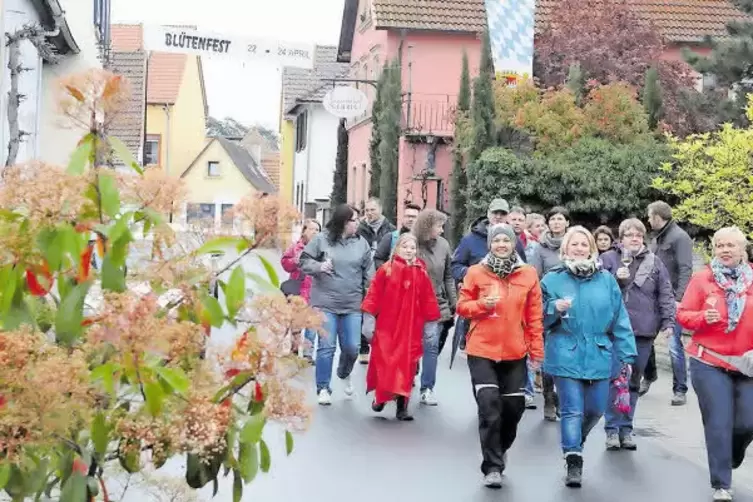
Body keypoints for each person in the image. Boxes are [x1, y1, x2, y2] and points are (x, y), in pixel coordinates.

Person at [540, 226, 636, 488]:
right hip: (564, 349)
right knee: (572, 408)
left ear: (592, 249)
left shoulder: (607, 280)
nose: (579, 248)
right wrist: (552, 309)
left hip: (599, 351)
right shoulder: (552, 279)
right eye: (574, 244)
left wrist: (627, 354)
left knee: (595, 409)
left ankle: (575, 442)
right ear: (565, 249)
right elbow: (538, 318)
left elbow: (620, 318)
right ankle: (573, 458)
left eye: (585, 244)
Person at [457, 224, 544, 488]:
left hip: (515, 351)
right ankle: (492, 466)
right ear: (490, 245)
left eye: (507, 240)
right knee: (489, 406)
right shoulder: (476, 272)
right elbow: (462, 307)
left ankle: (500, 446)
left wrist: (536, 350)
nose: (502, 245)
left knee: (514, 408)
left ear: (514, 244)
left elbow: (534, 316)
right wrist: (482, 305)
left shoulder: (528, 274)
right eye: (497, 241)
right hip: (482, 349)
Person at [678, 226, 753, 502]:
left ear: (742, 250)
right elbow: (683, 315)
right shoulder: (703, 279)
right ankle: (721, 483)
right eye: (719, 245)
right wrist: (701, 318)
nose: (724, 250)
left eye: (730, 245)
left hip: (747, 365)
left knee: (747, 422)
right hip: (708, 360)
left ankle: (733, 452)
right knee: (719, 421)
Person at [600, 218, 675, 451]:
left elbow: (665, 293)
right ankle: (612, 429)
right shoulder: (608, 259)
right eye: (629, 234)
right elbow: (597, 290)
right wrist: (617, 281)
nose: (634, 238)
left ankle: (626, 428)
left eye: (638, 235)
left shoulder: (654, 263)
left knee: (633, 381)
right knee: (616, 380)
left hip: (643, 330)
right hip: (615, 329)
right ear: (620, 238)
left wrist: (668, 322)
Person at [300, 204, 375, 405]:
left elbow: (370, 273)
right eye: (354, 220)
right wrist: (319, 266)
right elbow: (303, 261)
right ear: (343, 221)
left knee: (352, 347)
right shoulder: (321, 240)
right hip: (325, 303)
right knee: (326, 346)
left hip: (352, 303)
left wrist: (373, 294)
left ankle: (344, 372)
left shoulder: (362, 244)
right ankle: (323, 387)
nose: (358, 223)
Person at [361, 233, 440, 421]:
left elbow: (428, 299)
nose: (409, 251)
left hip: (411, 328)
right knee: (386, 363)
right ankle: (381, 397)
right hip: (387, 327)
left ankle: (402, 406)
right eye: (405, 247)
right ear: (397, 248)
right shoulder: (386, 270)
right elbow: (373, 295)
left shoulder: (420, 272)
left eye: (412, 248)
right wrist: (368, 320)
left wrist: (430, 325)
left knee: (408, 366)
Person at [452, 199, 523, 351]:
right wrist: (471, 274)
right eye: (495, 213)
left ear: (507, 216)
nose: (498, 216)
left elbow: (523, 269)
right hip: (479, 301)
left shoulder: (516, 242)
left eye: (502, 213)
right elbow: (456, 265)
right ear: (488, 214)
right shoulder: (470, 240)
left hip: (507, 301)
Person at [646, 201, 694, 406]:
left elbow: (685, 269)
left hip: (671, 299)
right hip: (653, 297)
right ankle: (649, 376)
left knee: (674, 346)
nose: (648, 220)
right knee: (645, 339)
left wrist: (678, 299)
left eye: (650, 216)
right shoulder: (658, 238)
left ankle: (680, 389)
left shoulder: (679, 237)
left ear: (658, 216)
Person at [412, 209, 457, 406]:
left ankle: (427, 388)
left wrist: (454, 302)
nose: (441, 230)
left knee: (431, 347)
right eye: (438, 226)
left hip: (436, 303)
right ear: (427, 226)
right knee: (412, 346)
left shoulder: (444, 245)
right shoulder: (411, 243)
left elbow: (448, 275)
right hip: (412, 303)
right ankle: (406, 377)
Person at [532, 206, 571, 421]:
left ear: (567, 222)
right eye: (553, 219)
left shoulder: (574, 243)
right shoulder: (541, 248)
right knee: (549, 355)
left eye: (560, 219)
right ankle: (548, 397)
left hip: (573, 306)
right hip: (548, 306)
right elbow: (534, 277)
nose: (556, 222)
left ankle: (566, 400)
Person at [356, 198, 397, 364]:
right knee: (364, 309)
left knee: (382, 313)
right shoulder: (360, 229)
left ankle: (380, 346)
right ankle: (364, 348)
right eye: (367, 210)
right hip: (363, 274)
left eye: (372, 210)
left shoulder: (391, 230)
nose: (369, 213)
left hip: (383, 275)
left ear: (380, 210)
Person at [280, 219, 321, 363]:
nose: (314, 232)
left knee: (312, 323)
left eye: (317, 230)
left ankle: (308, 353)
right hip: (298, 288)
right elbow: (285, 263)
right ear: (304, 231)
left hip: (315, 290)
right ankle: (295, 348)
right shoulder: (295, 248)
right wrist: (295, 261)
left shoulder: (322, 249)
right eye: (311, 229)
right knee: (296, 321)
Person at [374, 203, 421, 269]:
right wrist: (388, 272)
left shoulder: (423, 240)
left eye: (414, 217)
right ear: (403, 217)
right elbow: (378, 259)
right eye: (407, 216)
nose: (410, 219)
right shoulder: (390, 237)